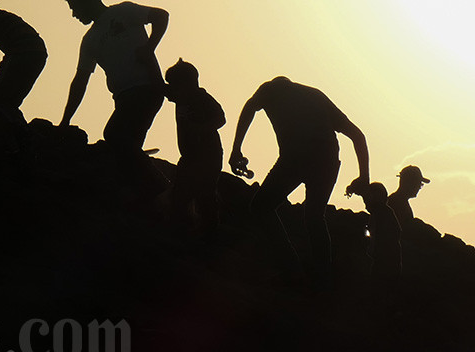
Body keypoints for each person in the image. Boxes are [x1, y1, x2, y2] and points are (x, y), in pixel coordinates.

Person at [229, 76, 369, 287]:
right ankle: (321, 279)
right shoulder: (314, 95)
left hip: (296, 159)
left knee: (261, 207)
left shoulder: (270, 92)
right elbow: (357, 135)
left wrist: (236, 149)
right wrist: (364, 177)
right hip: (326, 160)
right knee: (314, 217)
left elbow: (249, 108)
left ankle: (293, 270)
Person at [58, 0, 170, 194]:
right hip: (123, 98)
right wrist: (66, 119)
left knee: (115, 135)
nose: (74, 14)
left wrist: (149, 47)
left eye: (74, 7)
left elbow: (161, 16)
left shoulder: (124, 11)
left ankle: (162, 188)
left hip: (147, 87)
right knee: (126, 149)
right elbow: (80, 81)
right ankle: (147, 196)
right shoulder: (90, 40)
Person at [164, 59, 226, 237]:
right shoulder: (179, 97)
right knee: (180, 193)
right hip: (189, 156)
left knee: (205, 193)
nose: (172, 90)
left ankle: (210, 232)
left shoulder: (202, 98)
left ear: (188, 84)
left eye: (175, 86)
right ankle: (182, 227)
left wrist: (201, 128)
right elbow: (161, 87)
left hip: (209, 155)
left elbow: (221, 118)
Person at [348, 180, 402, 286]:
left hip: (384, 263)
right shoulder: (385, 212)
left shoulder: (380, 213)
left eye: (367, 199)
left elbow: (377, 236)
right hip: (389, 261)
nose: (365, 203)